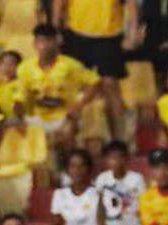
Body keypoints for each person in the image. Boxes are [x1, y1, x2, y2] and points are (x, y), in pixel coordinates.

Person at [51, 0, 133, 140]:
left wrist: (132, 33)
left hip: (109, 36)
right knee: (75, 89)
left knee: (110, 85)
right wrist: (55, 30)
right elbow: (59, 3)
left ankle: (119, 140)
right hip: (76, 34)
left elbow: (131, 4)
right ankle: (71, 140)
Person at [18, 24, 100, 155]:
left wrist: (79, 104)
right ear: (34, 44)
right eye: (41, 41)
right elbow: (21, 98)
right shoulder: (25, 68)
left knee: (68, 131)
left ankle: (67, 169)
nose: (45, 46)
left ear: (57, 42)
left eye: (49, 41)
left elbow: (94, 83)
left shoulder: (71, 65)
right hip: (36, 117)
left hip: (64, 116)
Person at [95, 141, 150, 225]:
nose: (117, 161)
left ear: (127, 159)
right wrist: (101, 224)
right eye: (113, 158)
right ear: (106, 160)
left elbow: (144, 205)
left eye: (121, 157)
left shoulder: (136, 179)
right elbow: (100, 205)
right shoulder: (102, 179)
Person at [51, 150, 105, 225]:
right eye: (73, 166)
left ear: (89, 169)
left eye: (81, 166)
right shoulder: (60, 194)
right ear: (67, 170)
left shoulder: (97, 194)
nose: (77, 171)